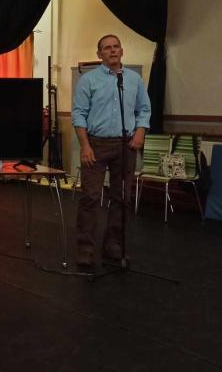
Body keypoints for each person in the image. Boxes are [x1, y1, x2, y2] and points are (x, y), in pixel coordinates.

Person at [72, 35, 151, 268]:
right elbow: (79, 114)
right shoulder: (88, 80)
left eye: (116, 47)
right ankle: (85, 248)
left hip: (126, 145)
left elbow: (144, 109)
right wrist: (85, 145)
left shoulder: (134, 79)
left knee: (121, 197)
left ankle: (113, 244)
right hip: (96, 144)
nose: (113, 50)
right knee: (91, 196)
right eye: (107, 48)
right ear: (99, 54)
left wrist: (140, 132)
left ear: (122, 51)